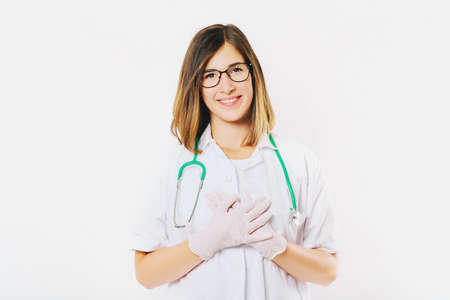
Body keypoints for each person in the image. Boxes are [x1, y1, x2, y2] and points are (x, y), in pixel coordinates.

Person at [130, 23, 339, 299]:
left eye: (235, 70)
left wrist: (276, 246)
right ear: (197, 85)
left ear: (253, 74)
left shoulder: (299, 162)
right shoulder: (173, 166)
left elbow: (327, 271)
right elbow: (146, 274)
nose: (226, 86)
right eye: (211, 75)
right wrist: (205, 242)